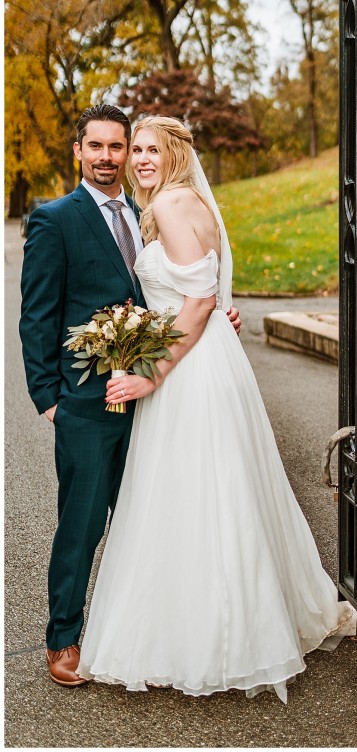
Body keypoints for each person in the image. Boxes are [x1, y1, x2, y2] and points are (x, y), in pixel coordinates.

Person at [77, 115, 357, 700]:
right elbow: (200, 296)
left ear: (177, 154)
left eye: (152, 150)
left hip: (188, 374)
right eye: (137, 151)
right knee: (214, 491)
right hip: (205, 359)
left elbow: (200, 299)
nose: (139, 160)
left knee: (194, 492)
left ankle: (213, 636)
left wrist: (150, 375)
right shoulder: (184, 204)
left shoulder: (176, 205)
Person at [19, 105, 241, 687]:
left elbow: (177, 292)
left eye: (121, 147)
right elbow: (37, 316)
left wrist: (215, 316)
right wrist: (50, 397)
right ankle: (63, 635)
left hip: (156, 398)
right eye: (99, 146)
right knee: (83, 523)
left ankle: (161, 630)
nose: (111, 157)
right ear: (79, 151)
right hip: (89, 404)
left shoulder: (146, 213)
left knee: (154, 518)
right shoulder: (54, 219)